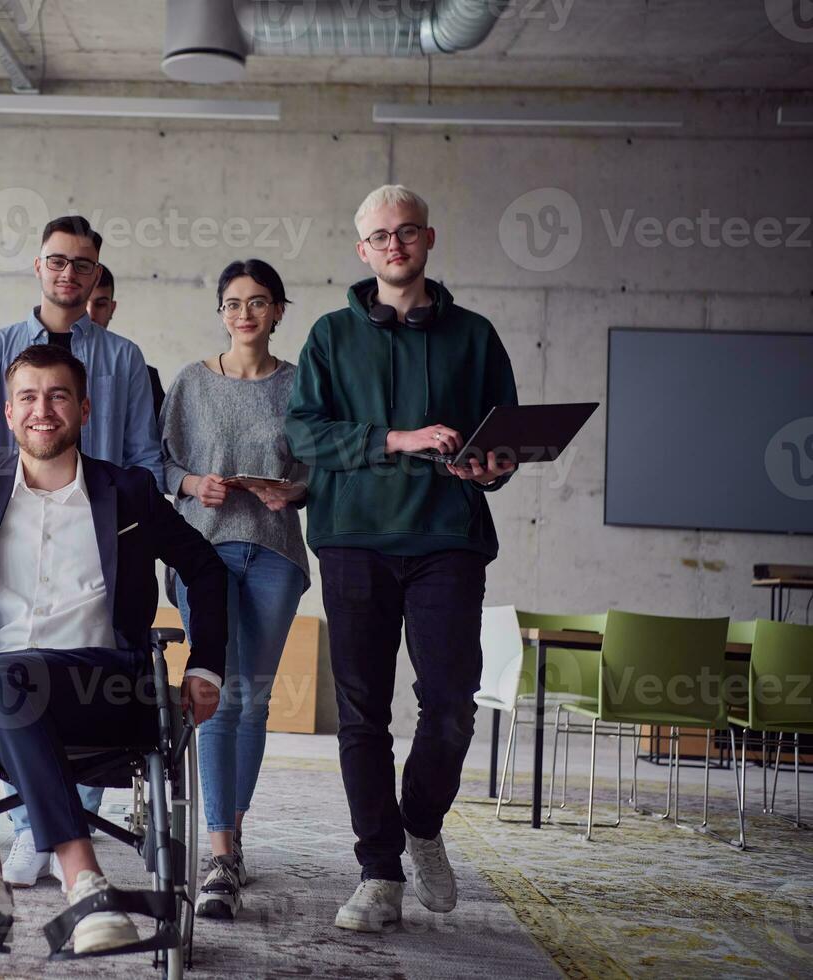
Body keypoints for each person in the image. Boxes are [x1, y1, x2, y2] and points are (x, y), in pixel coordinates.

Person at [0, 344, 227, 952]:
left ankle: (84, 881)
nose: (43, 410)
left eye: (58, 396)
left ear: (83, 408)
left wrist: (206, 666)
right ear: (9, 414)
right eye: (28, 397)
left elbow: (206, 569)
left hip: (99, 687)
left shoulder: (128, 492)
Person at [285, 185, 518, 933]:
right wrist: (396, 438)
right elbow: (305, 436)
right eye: (380, 236)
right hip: (353, 538)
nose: (394, 244)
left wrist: (492, 467)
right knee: (361, 712)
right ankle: (378, 871)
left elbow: (503, 438)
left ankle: (421, 824)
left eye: (407, 231)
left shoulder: (476, 335)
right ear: (363, 251)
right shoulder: (328, 336)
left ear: (428, 239)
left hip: (447, 538)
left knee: (451, 703)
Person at [0, 216, 164, 887]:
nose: (70, 275)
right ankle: (33, 830)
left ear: (95, 276)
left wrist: (123, 518)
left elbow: (143, 456)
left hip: (96, 538)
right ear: (40, 268)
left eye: (84, 265)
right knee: (7, 653)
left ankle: (56, 826)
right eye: (58, 261)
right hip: (10, 537)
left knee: (87, 645)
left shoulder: (124, 359)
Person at [161, 258, 310, 920]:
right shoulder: (192, 383)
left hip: (275, 551)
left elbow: (319, 468)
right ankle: (219, 854)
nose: (243, 313)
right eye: (232, 303)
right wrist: (196, 485)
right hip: (206, 549)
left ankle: (233, 834)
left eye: (257, 302)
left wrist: (292, 490)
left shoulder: (303, 386)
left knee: (253, 699)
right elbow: (159, 462)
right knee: (216, 694)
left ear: (279, 310)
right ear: (220, 312)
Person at [88, 264, 164, 422]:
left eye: (100, 304)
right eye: (83, 303)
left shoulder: (145, 377)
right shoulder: (40, 367)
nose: (90, 314)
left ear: (112, 309)